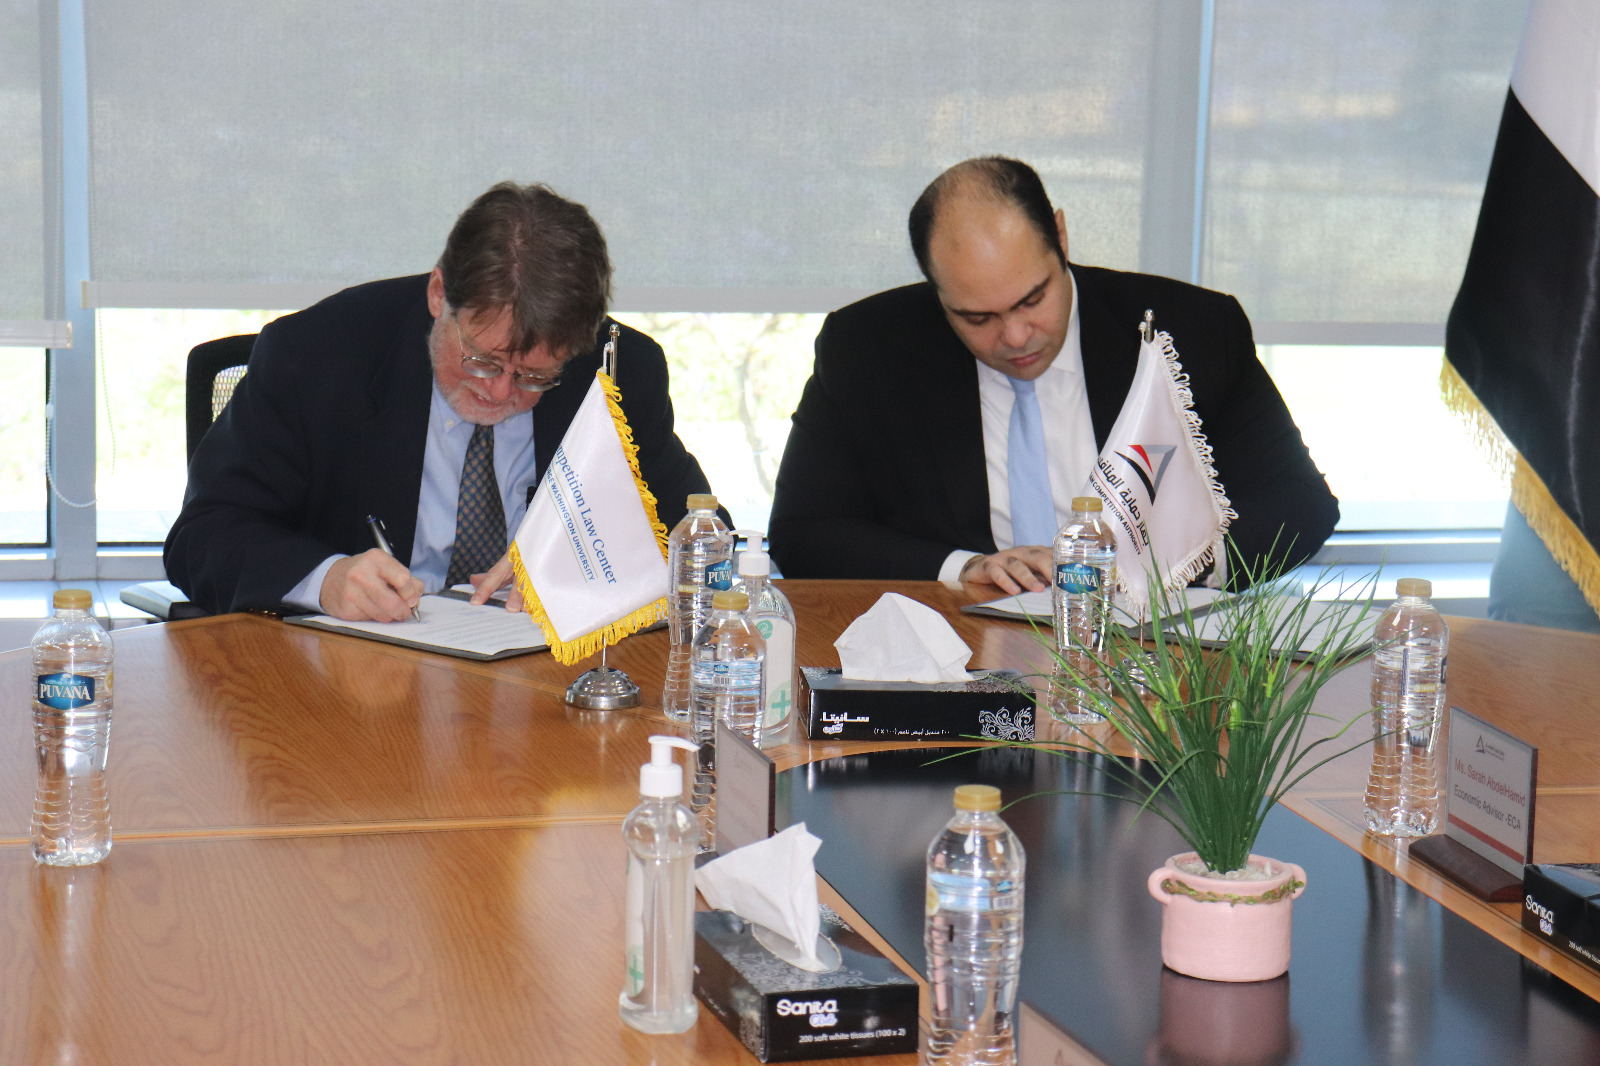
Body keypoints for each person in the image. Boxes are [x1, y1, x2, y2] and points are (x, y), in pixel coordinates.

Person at [769, 156, 1338, 593]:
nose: (1016, 336)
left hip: (1154, 659)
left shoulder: (1190, 330)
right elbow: (804, 532)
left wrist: (1163, 569)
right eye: (977, 318)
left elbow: (1302, 504)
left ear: (1060, 238)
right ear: (935, 290)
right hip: (957, 659)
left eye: (1032, 299)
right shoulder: (867, 348)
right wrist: (964, 568)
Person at [165, 181, 716, 620]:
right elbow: (204, 534)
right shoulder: (317, 356)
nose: (500, 392)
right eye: (483, 360)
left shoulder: (618, 372)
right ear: (438, 295)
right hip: (356, 676)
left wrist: (576, 568)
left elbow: (699, 538)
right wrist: (326, 580)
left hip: (541, 681)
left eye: (534, 377)